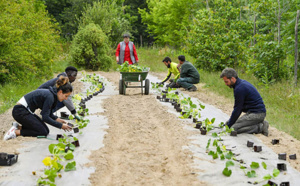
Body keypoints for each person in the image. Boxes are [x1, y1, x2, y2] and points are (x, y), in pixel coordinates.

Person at [3, 76, 73, 141]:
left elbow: (48, 113)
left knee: (46, 130)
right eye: (66, 96)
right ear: (60, 92)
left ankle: (17, 127)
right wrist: (61, 126)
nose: (66, 99)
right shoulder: (50, 97)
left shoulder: (52, 95)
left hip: (25, 111)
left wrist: (57, 119)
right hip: (20, 112)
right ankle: (15, 132)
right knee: (42, 132)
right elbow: (45, 117)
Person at [220, 68, 269, 136]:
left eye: (226, 81)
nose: (226, 84)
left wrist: (229, 125)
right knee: (230, 123)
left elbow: (237, 109)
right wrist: (228, 123)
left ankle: (260, 127)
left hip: (257, 114)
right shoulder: (240, 84)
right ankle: (258, 123)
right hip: (252, 113)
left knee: (233, 129)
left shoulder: (239, 88)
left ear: (233, 79)